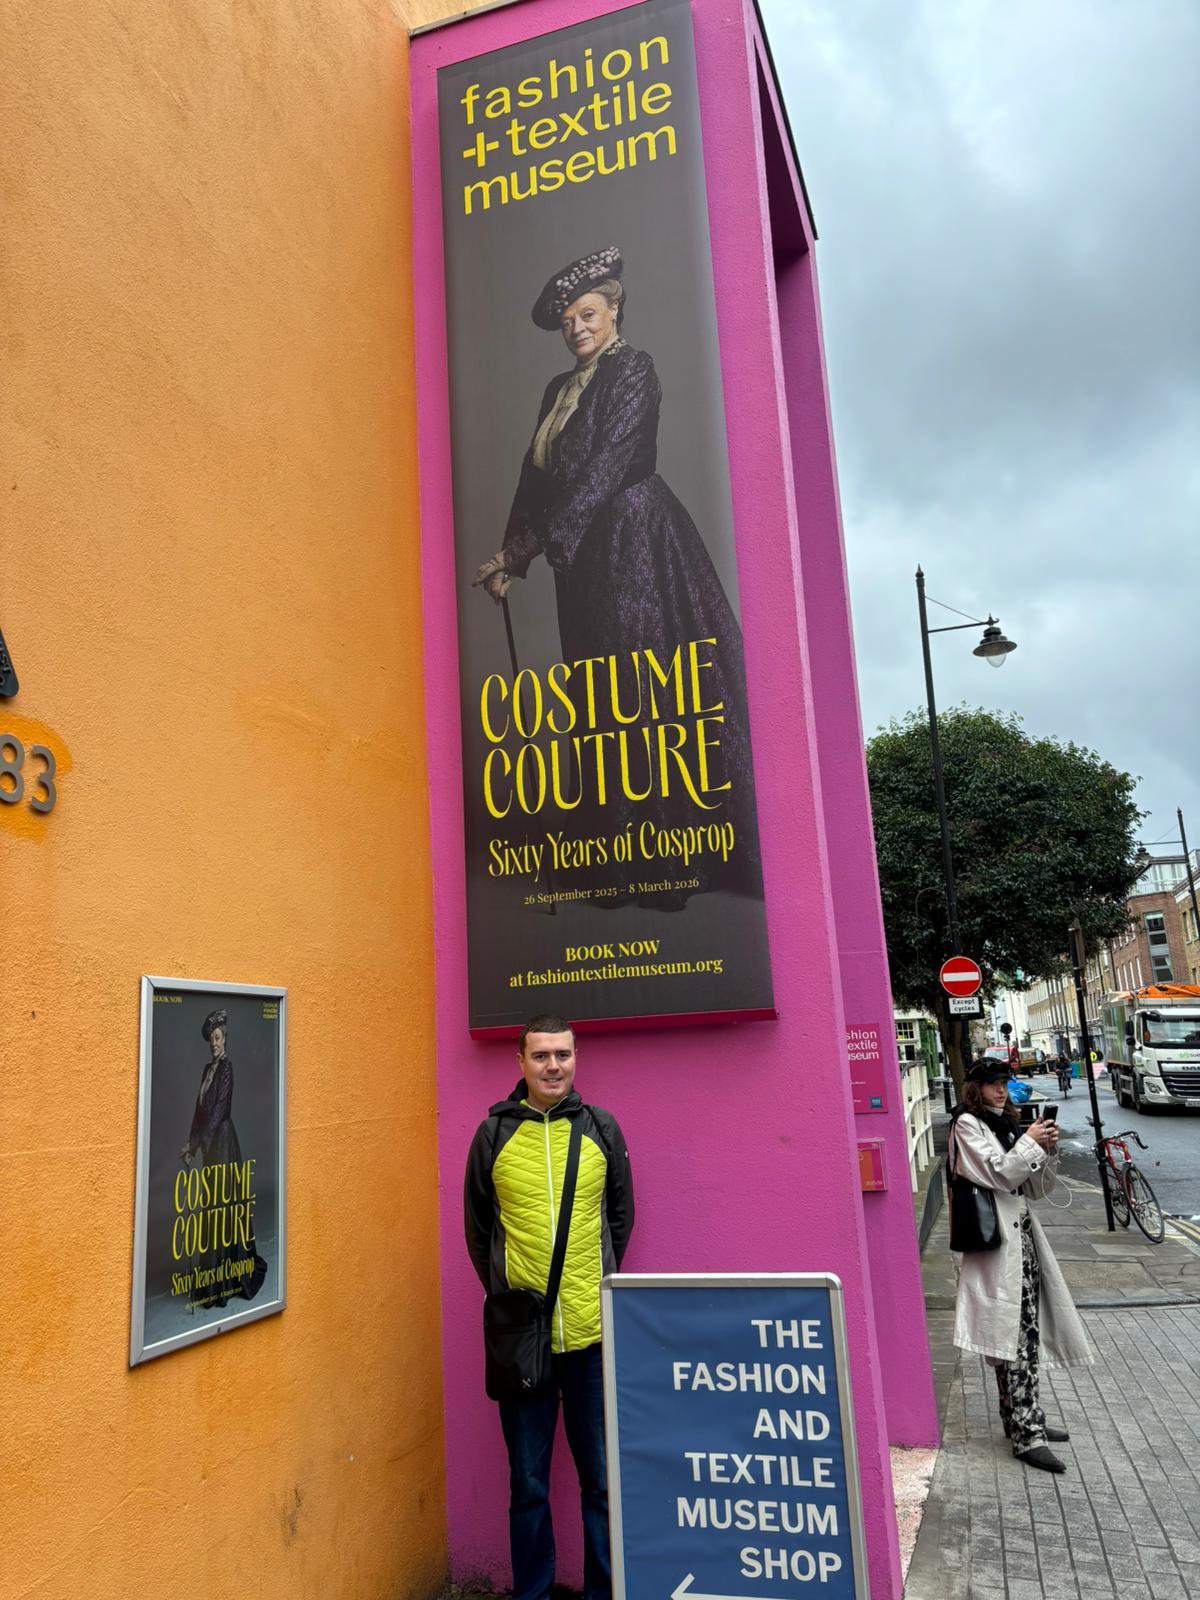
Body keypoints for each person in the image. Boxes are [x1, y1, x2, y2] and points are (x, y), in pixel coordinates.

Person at [470, 246, 761, 902]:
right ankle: (613, 859)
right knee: (596, 694)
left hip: (634, 542)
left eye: (588, 314)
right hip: (582, 556)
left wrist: (539, 545)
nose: (578, 327)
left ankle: (662, 862)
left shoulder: (634, 369)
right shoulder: (557, 390)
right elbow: (535, 479)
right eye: (568, 320)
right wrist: (511, 555)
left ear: (614, 309)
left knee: (641, 689)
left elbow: (609, 464)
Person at [464, 1013, 634, 1600]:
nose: (553, 1066)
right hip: (524, 1345)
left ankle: (603, 1591)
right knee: (529, 1485)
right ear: (521, 1062)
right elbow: (478, 1229)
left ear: (575, 1058)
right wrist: (507, 1297)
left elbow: (620, 1219)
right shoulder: (493, 1135)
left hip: (591, 1338)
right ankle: (532, 1592)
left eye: (562, 1054)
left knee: (601, 1482)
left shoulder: (601, 1129)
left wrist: (594, 1283)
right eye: (541, 1056)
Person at [949, 1059, 1092, 1473]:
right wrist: (1029, 1142)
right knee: (1013, 1340)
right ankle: (1027, 1433)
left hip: (1021, 1243)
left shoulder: (1006, 1125)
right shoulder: (967, 1125)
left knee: (1021, 1337)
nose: (1001, 1090)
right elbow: (999, 1173)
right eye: (992, 1083)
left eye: (1004, 1083)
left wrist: (1045, 1150)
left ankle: (1023, 1419)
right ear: (975, 1088)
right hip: (997, 1248)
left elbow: (1036, 1188)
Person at [179, 1009, 266, 1309]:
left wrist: (201, 1143)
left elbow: (218, 1111)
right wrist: (190, 1146)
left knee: (225, 1208)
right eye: (211, 1040)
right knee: (212, 1207)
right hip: (210, 1145)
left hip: (224, 1144)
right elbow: (199, 1111)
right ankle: (213, 1281)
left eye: (217, 1038)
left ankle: (227, 1281)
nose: (214, 1043)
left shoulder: (227, 1068)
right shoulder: (207, 1070)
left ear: (225, 1038)